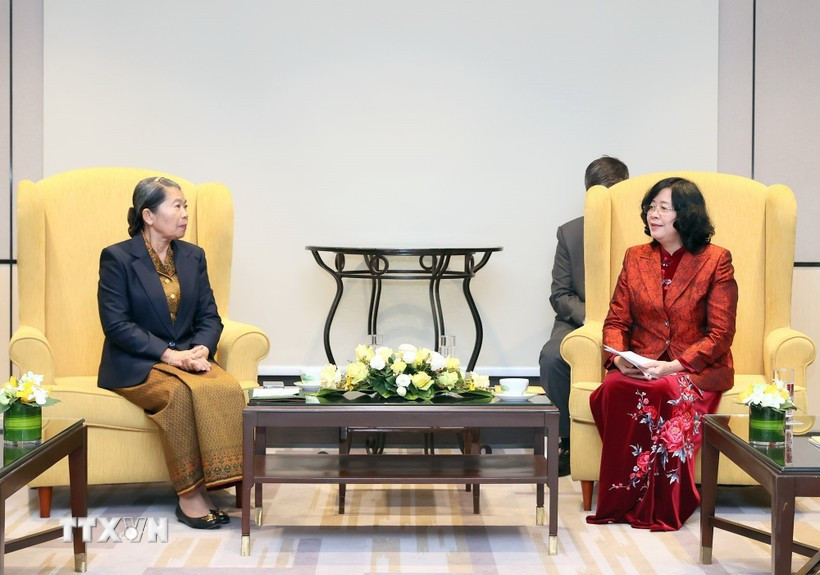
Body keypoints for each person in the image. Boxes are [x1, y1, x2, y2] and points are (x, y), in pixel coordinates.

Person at [586, 177, 738, 531]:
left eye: (664, 208)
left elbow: (721, 333)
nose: (653, 214)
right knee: (613, 387)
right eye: (650, 207)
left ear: (686, 214)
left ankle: (664, 505)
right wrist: (619, 358)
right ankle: (621, 500)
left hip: (693, 368)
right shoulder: (635, 257)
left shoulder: (716, 260)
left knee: (666, 390)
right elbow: (616, 320)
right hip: (643, 363)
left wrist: (674, 366)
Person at [97, 176, 245, 530]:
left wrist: (203, 347)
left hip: (188, 357)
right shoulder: (117, 257)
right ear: (148, 215)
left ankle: (224, 479)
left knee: (226, 387)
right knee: (178, 394)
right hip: (137, 363)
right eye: (176, 206)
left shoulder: (193, 256)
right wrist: (168, 355)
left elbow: (210, 316)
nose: (184, 214)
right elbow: (116, 324)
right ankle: (190, 496)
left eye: (185, 206)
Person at [539, 156, 629, 477]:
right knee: (552, 357)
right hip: (581, 320)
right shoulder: (571, 233)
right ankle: (568, 442)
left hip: (631, 320)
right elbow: (560, 295)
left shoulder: (644, 229)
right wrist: (594, 320)